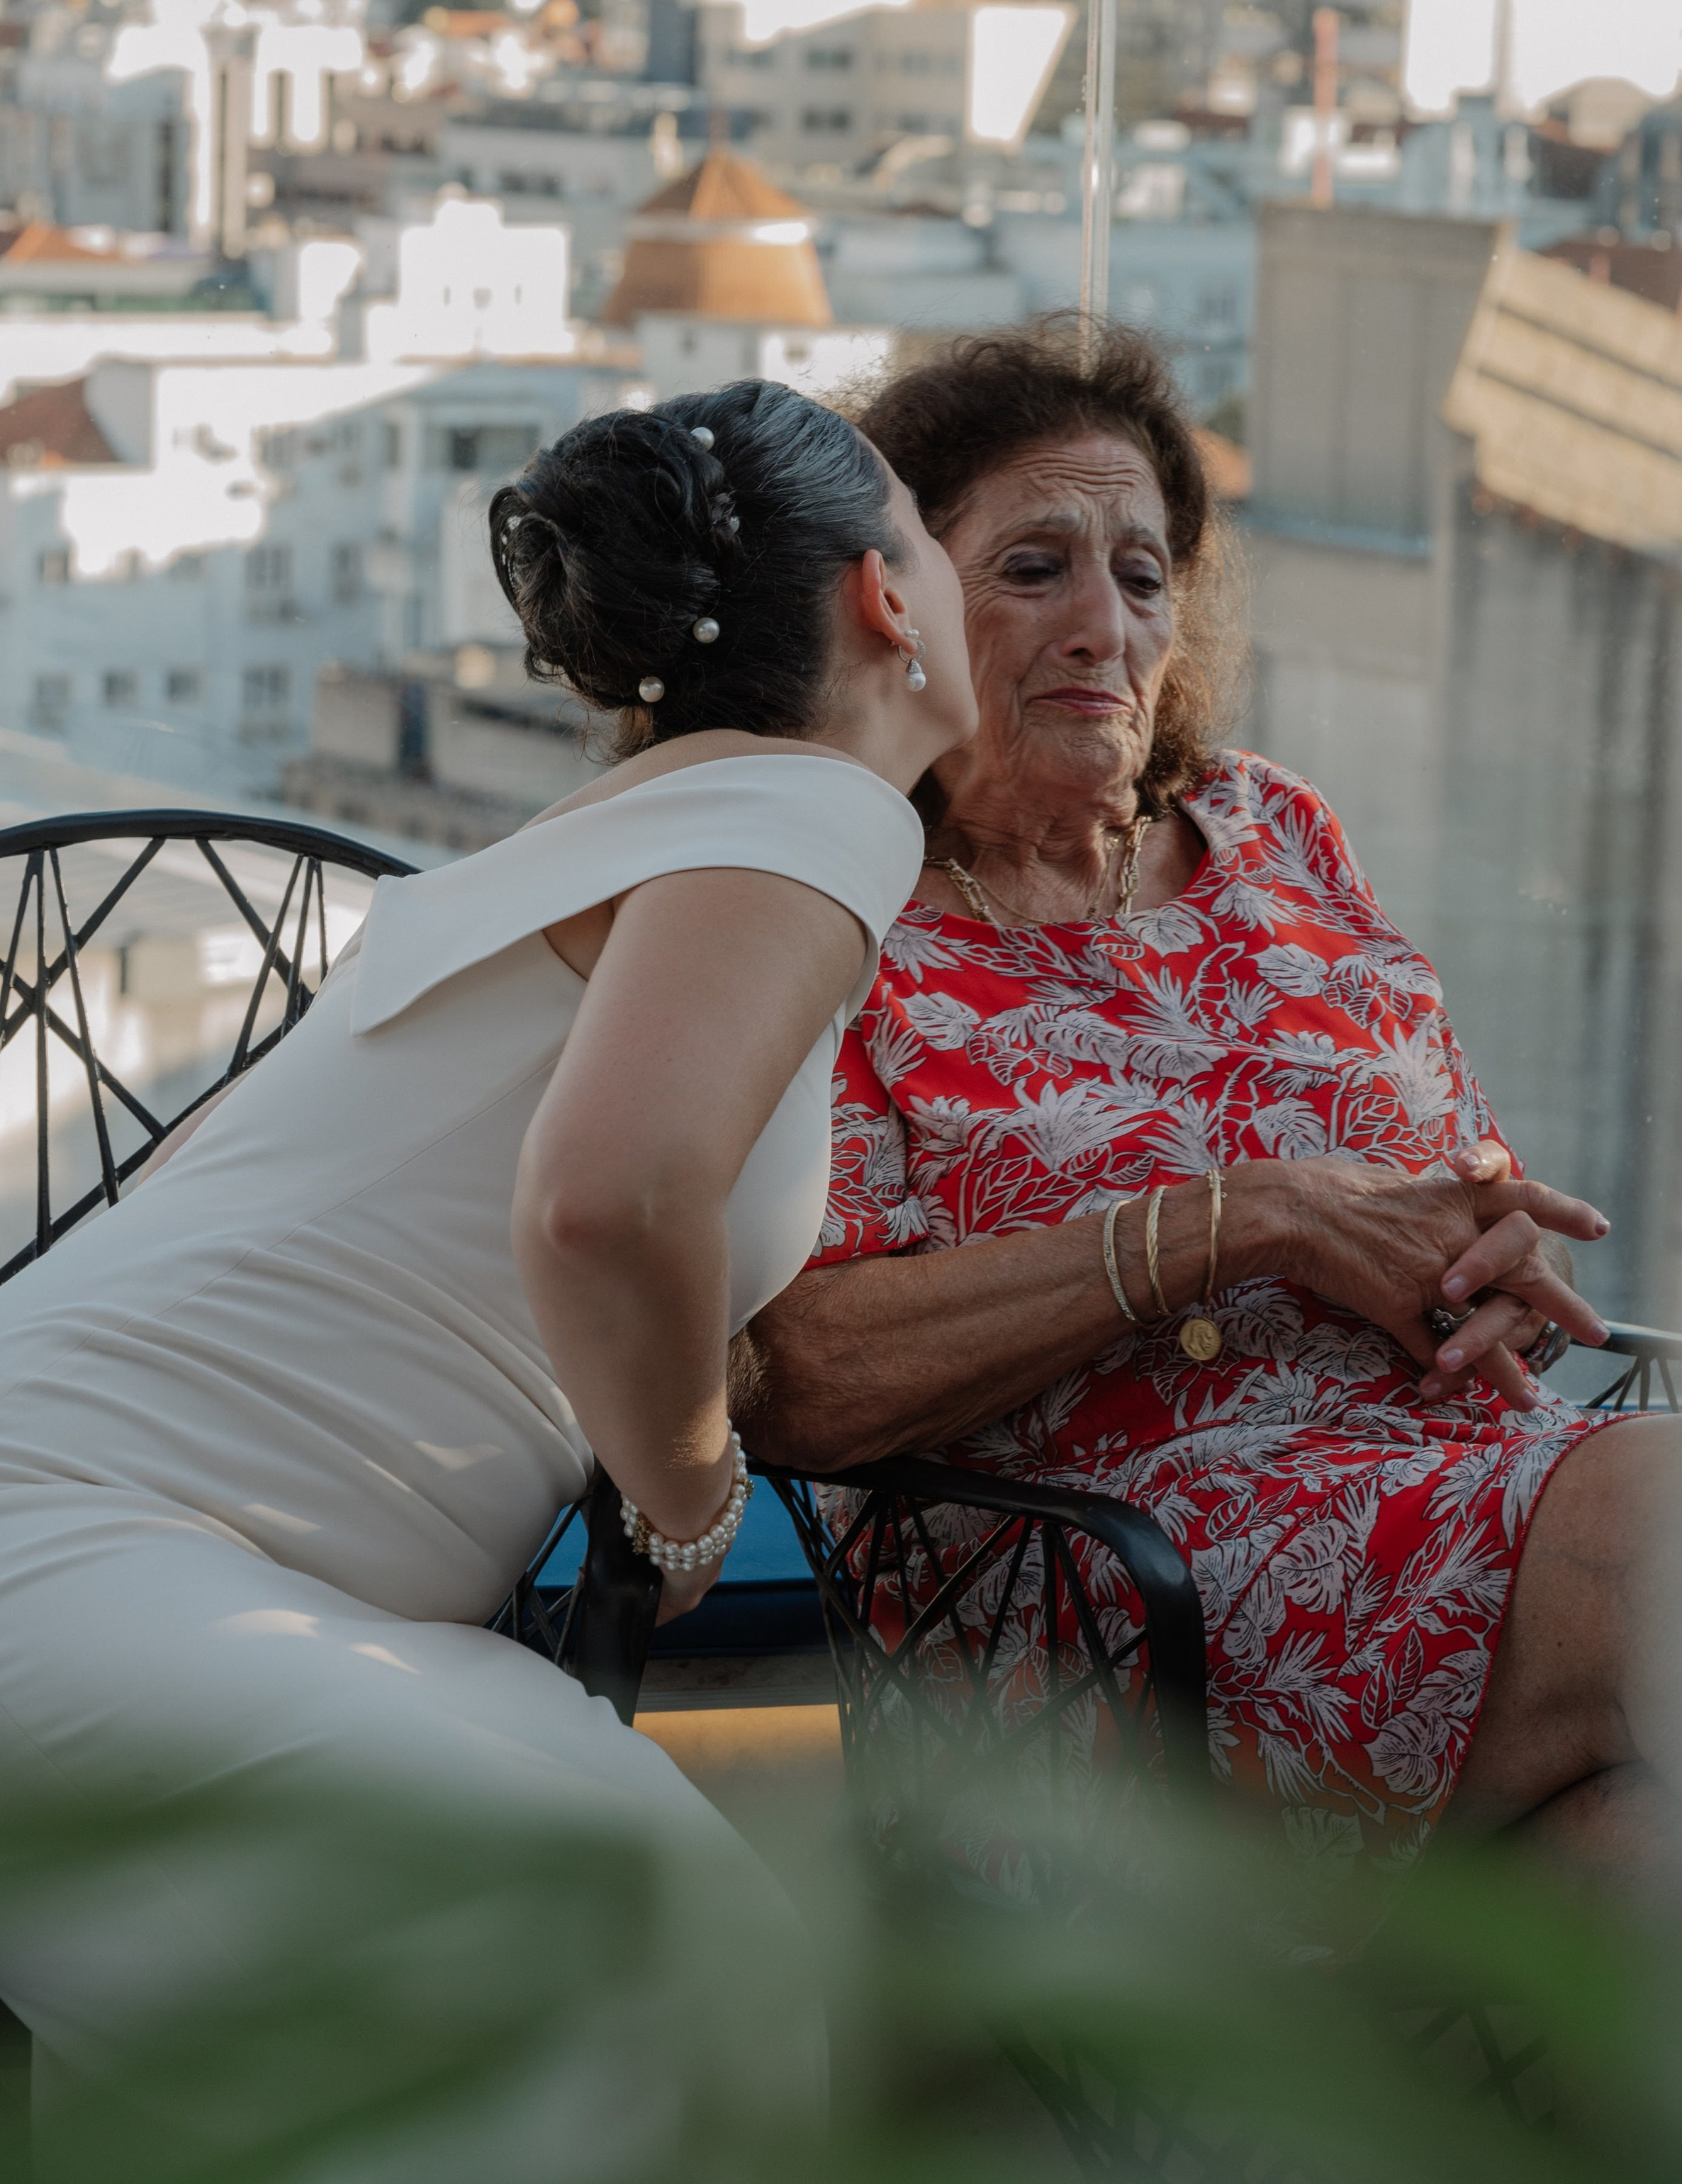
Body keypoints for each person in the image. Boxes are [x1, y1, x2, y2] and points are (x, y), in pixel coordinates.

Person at [0, 380, 975, 2124]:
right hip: (92, 1565)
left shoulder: (593, 843)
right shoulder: (818, 811)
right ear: (883, 597)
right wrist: (688, 1495)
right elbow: (609, 1200)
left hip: (158, 1556)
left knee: (684, 1951)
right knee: (655, 1961)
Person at [734, 321, 1682, 1892]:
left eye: (1140, 574)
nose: (1101, 625)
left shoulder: (1271, 828)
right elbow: (795, 1378)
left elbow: (1448, 1181)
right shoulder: (838, 917)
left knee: (1666, 1877)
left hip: (1466, 1515)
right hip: (1126, 1615)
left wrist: (1490, 1264)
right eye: (1033, 566)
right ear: (889, 601)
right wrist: (1240, 1223)